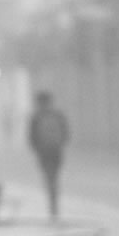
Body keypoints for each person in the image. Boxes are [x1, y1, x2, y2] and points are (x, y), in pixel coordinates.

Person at [28, 90, 70, 220]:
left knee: (50, 178)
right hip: (56, 151)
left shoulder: (36, 117)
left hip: (45, 152)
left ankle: (53, 203)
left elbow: (31, 137)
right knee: (54, 178)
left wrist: (37, 148)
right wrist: (61, 144)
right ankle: (53, 202)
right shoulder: (58, 115)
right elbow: (66, 132)